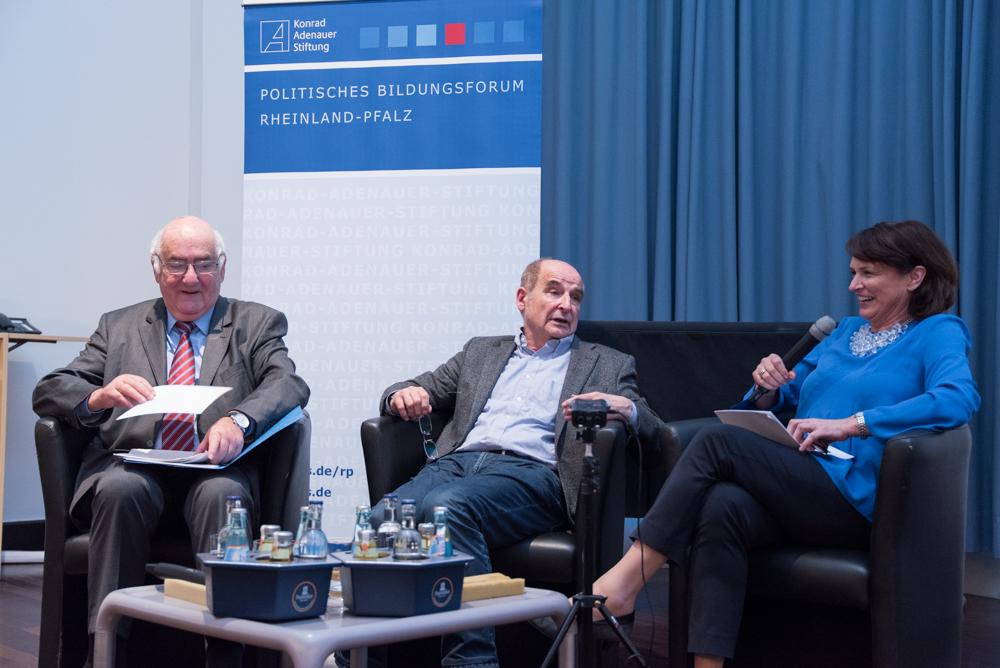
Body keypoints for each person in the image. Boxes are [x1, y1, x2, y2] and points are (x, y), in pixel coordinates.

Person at [590, 220, 981, 668]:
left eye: (868, 273)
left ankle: (627, 578)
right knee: (722, 506)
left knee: (717, 442)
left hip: (856, 499)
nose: (854, 285)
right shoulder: (845, 332)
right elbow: (785, 395)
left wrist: (854, 424)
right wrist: (768, 387)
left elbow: (958, 399)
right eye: (853, 272)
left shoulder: (938, 332)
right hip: (804, 482)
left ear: (914, 277)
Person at [32, 215, 310, 660]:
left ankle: (226, 653)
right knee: (120, 489)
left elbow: (287, 384)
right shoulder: (119, 325)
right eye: (177, 264)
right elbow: (50, 389)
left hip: (215, 468)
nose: (191, 278)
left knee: (220, 494)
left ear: (222, 267)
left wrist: (238, 421)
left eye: (204, 264)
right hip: (132, 464)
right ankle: (106, 650)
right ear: (157, 269)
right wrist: (98, 396)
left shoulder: (256, 323)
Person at [374, 258, 662, 667]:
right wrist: (400, 395)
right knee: (380, 520)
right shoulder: (480, 351)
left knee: (447, 508)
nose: (566, 305)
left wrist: (624, 407)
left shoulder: (606, 363)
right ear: (522, 298)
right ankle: (364, 658)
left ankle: (472, 661)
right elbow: (418, 386)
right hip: (455, 465)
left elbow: (655, 430)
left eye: (576, 297)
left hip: (531, 475)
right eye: (554, 291)